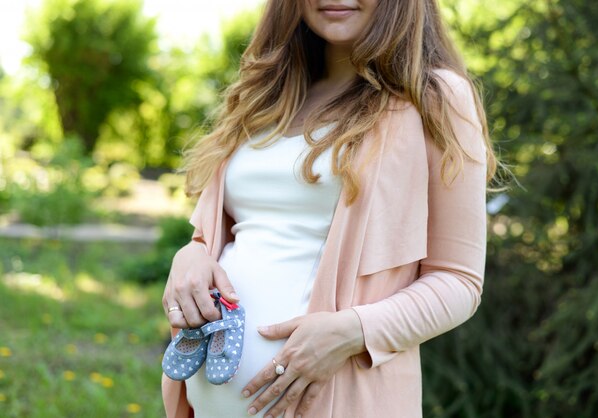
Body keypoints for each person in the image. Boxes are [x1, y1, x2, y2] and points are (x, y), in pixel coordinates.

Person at [161, 0, 498, 417]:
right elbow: (231, 232)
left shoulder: (435, 97)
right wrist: (191, 255)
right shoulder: (267, 94)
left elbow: (458, 281)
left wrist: (352, 331)